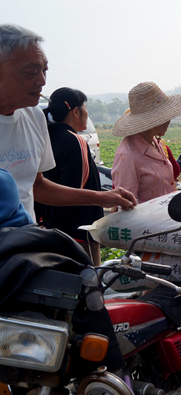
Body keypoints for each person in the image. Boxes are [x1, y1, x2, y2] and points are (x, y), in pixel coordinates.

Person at [0, 22, 136, 395]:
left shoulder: (34, 119)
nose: (40, 81)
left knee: (49, 358)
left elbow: (36, 186)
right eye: (28, 71)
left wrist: (99, 196)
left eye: (43, 70)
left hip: (24, 251)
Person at [40, 87, 105, 265]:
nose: (87, 113)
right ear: (76, 111)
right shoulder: (75, 141)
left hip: (51, 229)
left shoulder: (47, 136)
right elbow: (74, 191)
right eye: (85, 108)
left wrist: (49, 226)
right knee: (89, 284)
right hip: (79, 233)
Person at [111, 82, 181, 202]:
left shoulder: (156, 142)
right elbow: (126, 206)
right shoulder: (127, 155)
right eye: (165, 116)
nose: (169, 121)